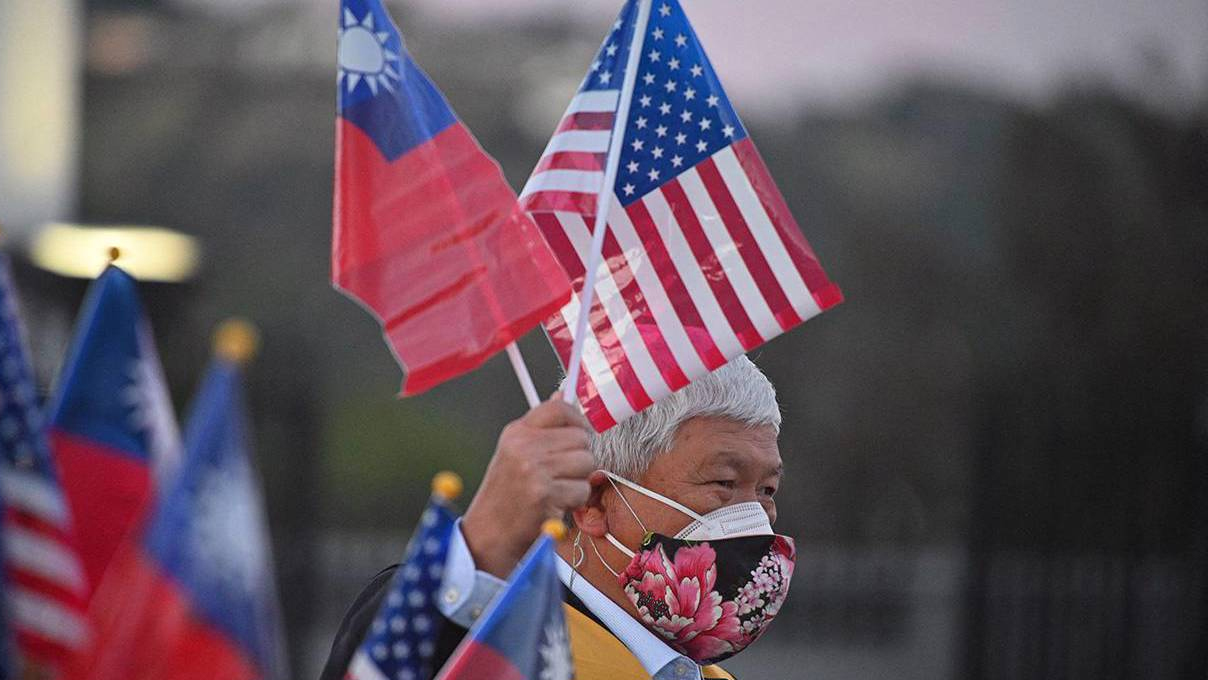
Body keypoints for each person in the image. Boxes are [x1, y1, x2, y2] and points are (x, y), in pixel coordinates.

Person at [321, 356, 796, 680]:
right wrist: (487, 540)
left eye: (766, 491)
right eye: (723, 485)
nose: (752, 519)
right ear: (593, 503)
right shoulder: (502, 643)